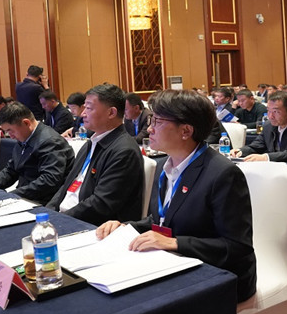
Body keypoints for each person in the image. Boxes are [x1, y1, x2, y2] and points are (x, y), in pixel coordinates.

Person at [95, 89, 256, 302]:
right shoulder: (164, 166)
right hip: (176, 262)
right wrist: (126, 227)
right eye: (151, 120)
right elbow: (164, 220)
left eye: (158, 121)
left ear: (186, 131)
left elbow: (237, 247)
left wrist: (175, 243)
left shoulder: (223, 174)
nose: (150, 128)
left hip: (221, 276)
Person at [46, 84, 144, 225]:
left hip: (93, 226)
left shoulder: (124, 151)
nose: (83, 114)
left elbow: (101, 204)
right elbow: (68, 184)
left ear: (111, 113)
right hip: (66, 218)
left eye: (89, 108)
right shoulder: (91, 143)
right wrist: (49, 212)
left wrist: (60, 220)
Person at [0, 102, 75, 205]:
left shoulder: (50, 142)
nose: (10, 135)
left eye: (10, 130)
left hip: (44, 200)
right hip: (26, 195)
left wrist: (12, 195)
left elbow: (49, 181)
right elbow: (11, 170)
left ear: (26, 123)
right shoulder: (25, 137)